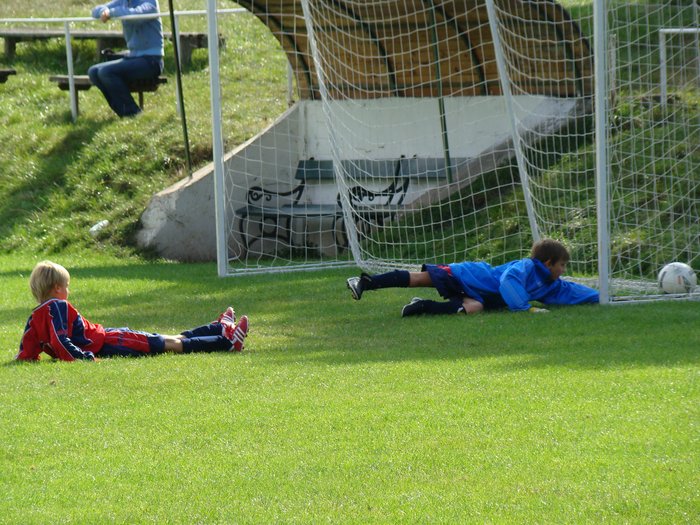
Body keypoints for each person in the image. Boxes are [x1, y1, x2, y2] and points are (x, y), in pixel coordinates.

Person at [16, 261, 249, 362]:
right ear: (57, 289)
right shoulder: (58, 306)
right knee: (169, 344)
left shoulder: (35, 316)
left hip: (109, 338)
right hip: (110, 341)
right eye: (66, 286)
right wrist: (83, 357)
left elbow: (28, 343)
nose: (68, 290)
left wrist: (25, 358)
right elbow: (60, 340)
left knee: (166, 340)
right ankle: (226, 342)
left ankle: (220, 327)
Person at [346, 239, 599, 316]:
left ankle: (421, 306)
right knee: (419, 278)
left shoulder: (550, 286)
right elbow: (508, 282)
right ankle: (366, 283)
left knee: (473, 308)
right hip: (468, 275)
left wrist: (601, 297)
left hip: (478, 295)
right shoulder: (524, 267)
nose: (564, 271)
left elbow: (571, 292)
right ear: (548, 263)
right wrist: (525, 309)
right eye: (562, 265)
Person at [87, 0, 164, 117]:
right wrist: (105, 11)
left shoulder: (150, 2)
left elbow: (136, 15)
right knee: (93, 71)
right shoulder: (123, 2)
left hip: (151, 61)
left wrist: (111, 13)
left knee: (106, 72)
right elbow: (95, 11)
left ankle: (132, 113)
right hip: (133, 57)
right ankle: (122, 111)